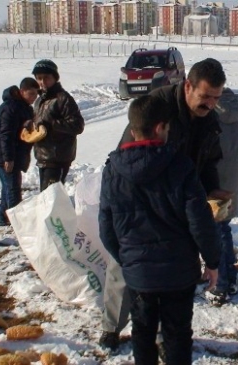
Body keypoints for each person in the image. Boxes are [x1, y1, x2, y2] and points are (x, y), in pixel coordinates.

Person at [99, 58, 228, 350]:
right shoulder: (157, 106)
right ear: (187, 87)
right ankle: (111, 326)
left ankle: (163, 336)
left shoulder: (209, 118)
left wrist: (211, 190)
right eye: (205, 96)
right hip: (140, 197)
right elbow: (127, 155)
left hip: (177, 195)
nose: (210, 104)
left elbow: (209, 158)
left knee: (170, 271)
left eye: (216, 98)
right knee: (125, 265)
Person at [209, 88, 238, 305]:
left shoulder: (207, 106)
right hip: (233, 174)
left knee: (217, 229)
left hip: (212, 173)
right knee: (222, 226)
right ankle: (229, 277)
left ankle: (222, 284)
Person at [0, 77, 40, 226]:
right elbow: (6, 134)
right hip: (5, 154)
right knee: (13, 189)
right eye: (30, 94)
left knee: (9, 186)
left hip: (14, 153)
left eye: (35, 94)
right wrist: (8, 158)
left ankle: (4, 218)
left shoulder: (24, 107)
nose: (33, 98)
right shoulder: (10, 107)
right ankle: (18, 223)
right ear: (21, 91)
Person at [31, 59, 85, 191]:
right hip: (42, 156)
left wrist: (52, 124)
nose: (42, 82)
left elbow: (78, 125)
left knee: (51, 199)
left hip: (57, 157)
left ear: (55, 78)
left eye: (46, 78)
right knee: (47, 197)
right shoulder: (39, 100)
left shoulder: (63, 98)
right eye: (39, 78)